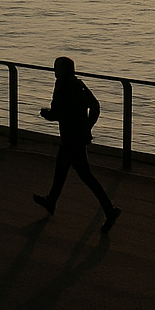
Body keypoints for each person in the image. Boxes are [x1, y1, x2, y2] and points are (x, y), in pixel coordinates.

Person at [33, 56, 122, 232]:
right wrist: (88, 126)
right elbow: (95, 105)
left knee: (84, 175)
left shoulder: (62, 85)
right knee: (62, 169)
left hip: (70, 138)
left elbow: (58, 113)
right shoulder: (78, 84)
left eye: (56, 68)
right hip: (78, 137)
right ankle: (51, 200)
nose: (54, 71)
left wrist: (46, 115)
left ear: (62, 70)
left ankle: (109, 210)